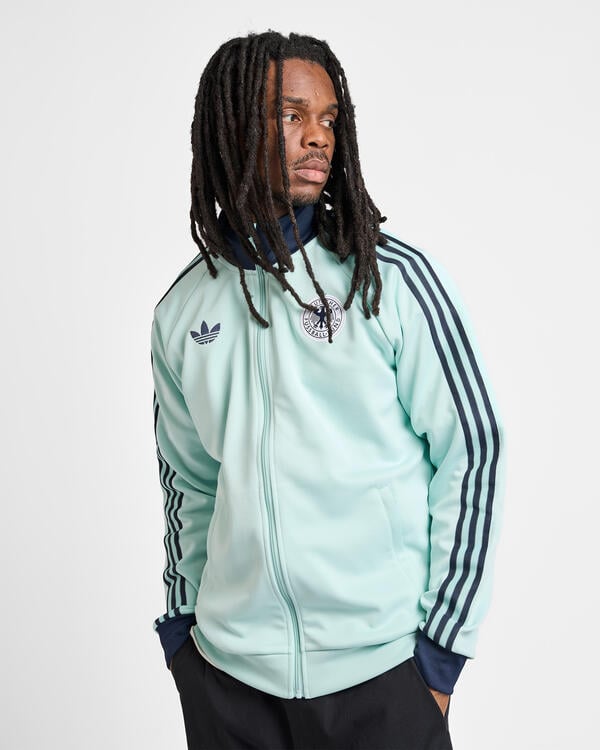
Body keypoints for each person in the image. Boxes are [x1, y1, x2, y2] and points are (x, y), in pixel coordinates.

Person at [150, 30, 504, 750]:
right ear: (233, 125)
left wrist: (439, 654)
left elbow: (474, 450)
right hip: (229, 682)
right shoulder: (183, 311)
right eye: (291, 115)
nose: (319, 137)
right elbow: (188, 483)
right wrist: (183, 634)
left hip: (381, 675)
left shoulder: (389, 282)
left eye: (329, 119)